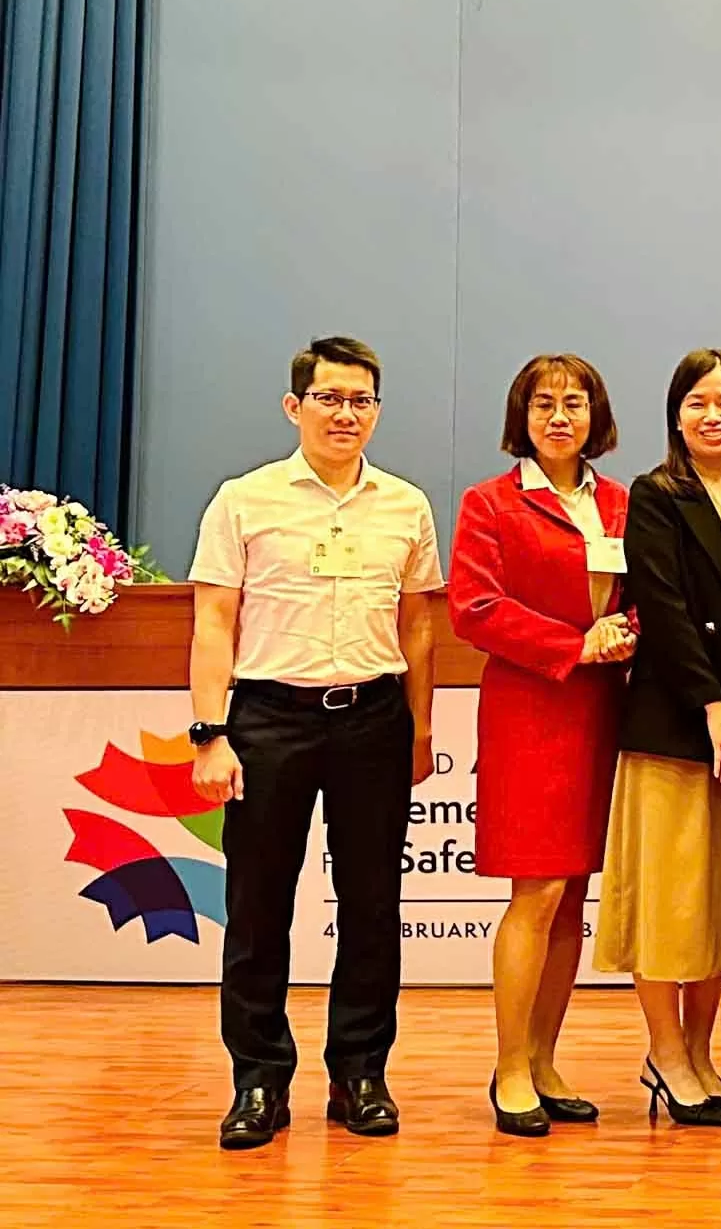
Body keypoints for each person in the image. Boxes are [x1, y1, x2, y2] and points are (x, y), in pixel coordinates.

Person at [185, 337, 442, 1150]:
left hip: (373, 717)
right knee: (258, 907)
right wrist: (210, 733)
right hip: (269, 719)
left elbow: (420, 626)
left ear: (377, 411)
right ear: (294, 407)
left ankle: (360, 1073)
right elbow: (212, 622)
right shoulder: (244, 499)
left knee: (372, 905)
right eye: (329, 398)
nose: (345, 414)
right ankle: (259, 1080)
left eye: (361, 400)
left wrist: (420, 726)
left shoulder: (406, 505)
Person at [448, 353, 635, 1136]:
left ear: (597, 415)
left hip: (603, 708)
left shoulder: (621, 502)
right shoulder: (490, 503)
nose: (560, 417)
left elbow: (649, 592)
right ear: (520, 417)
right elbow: (473, 606)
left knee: (573, 898)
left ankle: (546, 1058)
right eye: (544, 403)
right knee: (537, 891)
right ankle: (510, 1068)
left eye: (575, 402)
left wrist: (627, 633)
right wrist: (573, 644)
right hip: (531, 706)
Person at [598, 348, 721, 1128]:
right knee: (670, 903)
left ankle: (700, 1054)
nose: (713, 415)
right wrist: (712, 706)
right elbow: (663, 609)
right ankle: (665, 1054)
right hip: (678, 723)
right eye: (698, 401)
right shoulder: (657, 494)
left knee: (715, 906)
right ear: (676, 415)